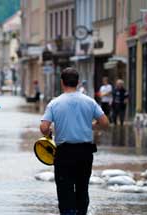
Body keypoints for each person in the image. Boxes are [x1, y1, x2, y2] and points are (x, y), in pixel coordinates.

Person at [40, 68, 109, 215]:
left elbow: (44, 127)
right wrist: (91, 126)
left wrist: (49, 132)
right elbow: (105, 123)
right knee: (82, 188)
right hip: (85, 152)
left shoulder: (54, 103)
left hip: (64, 153)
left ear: (61, 83)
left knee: (65, 190)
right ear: (77, 83)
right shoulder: (90, 101)